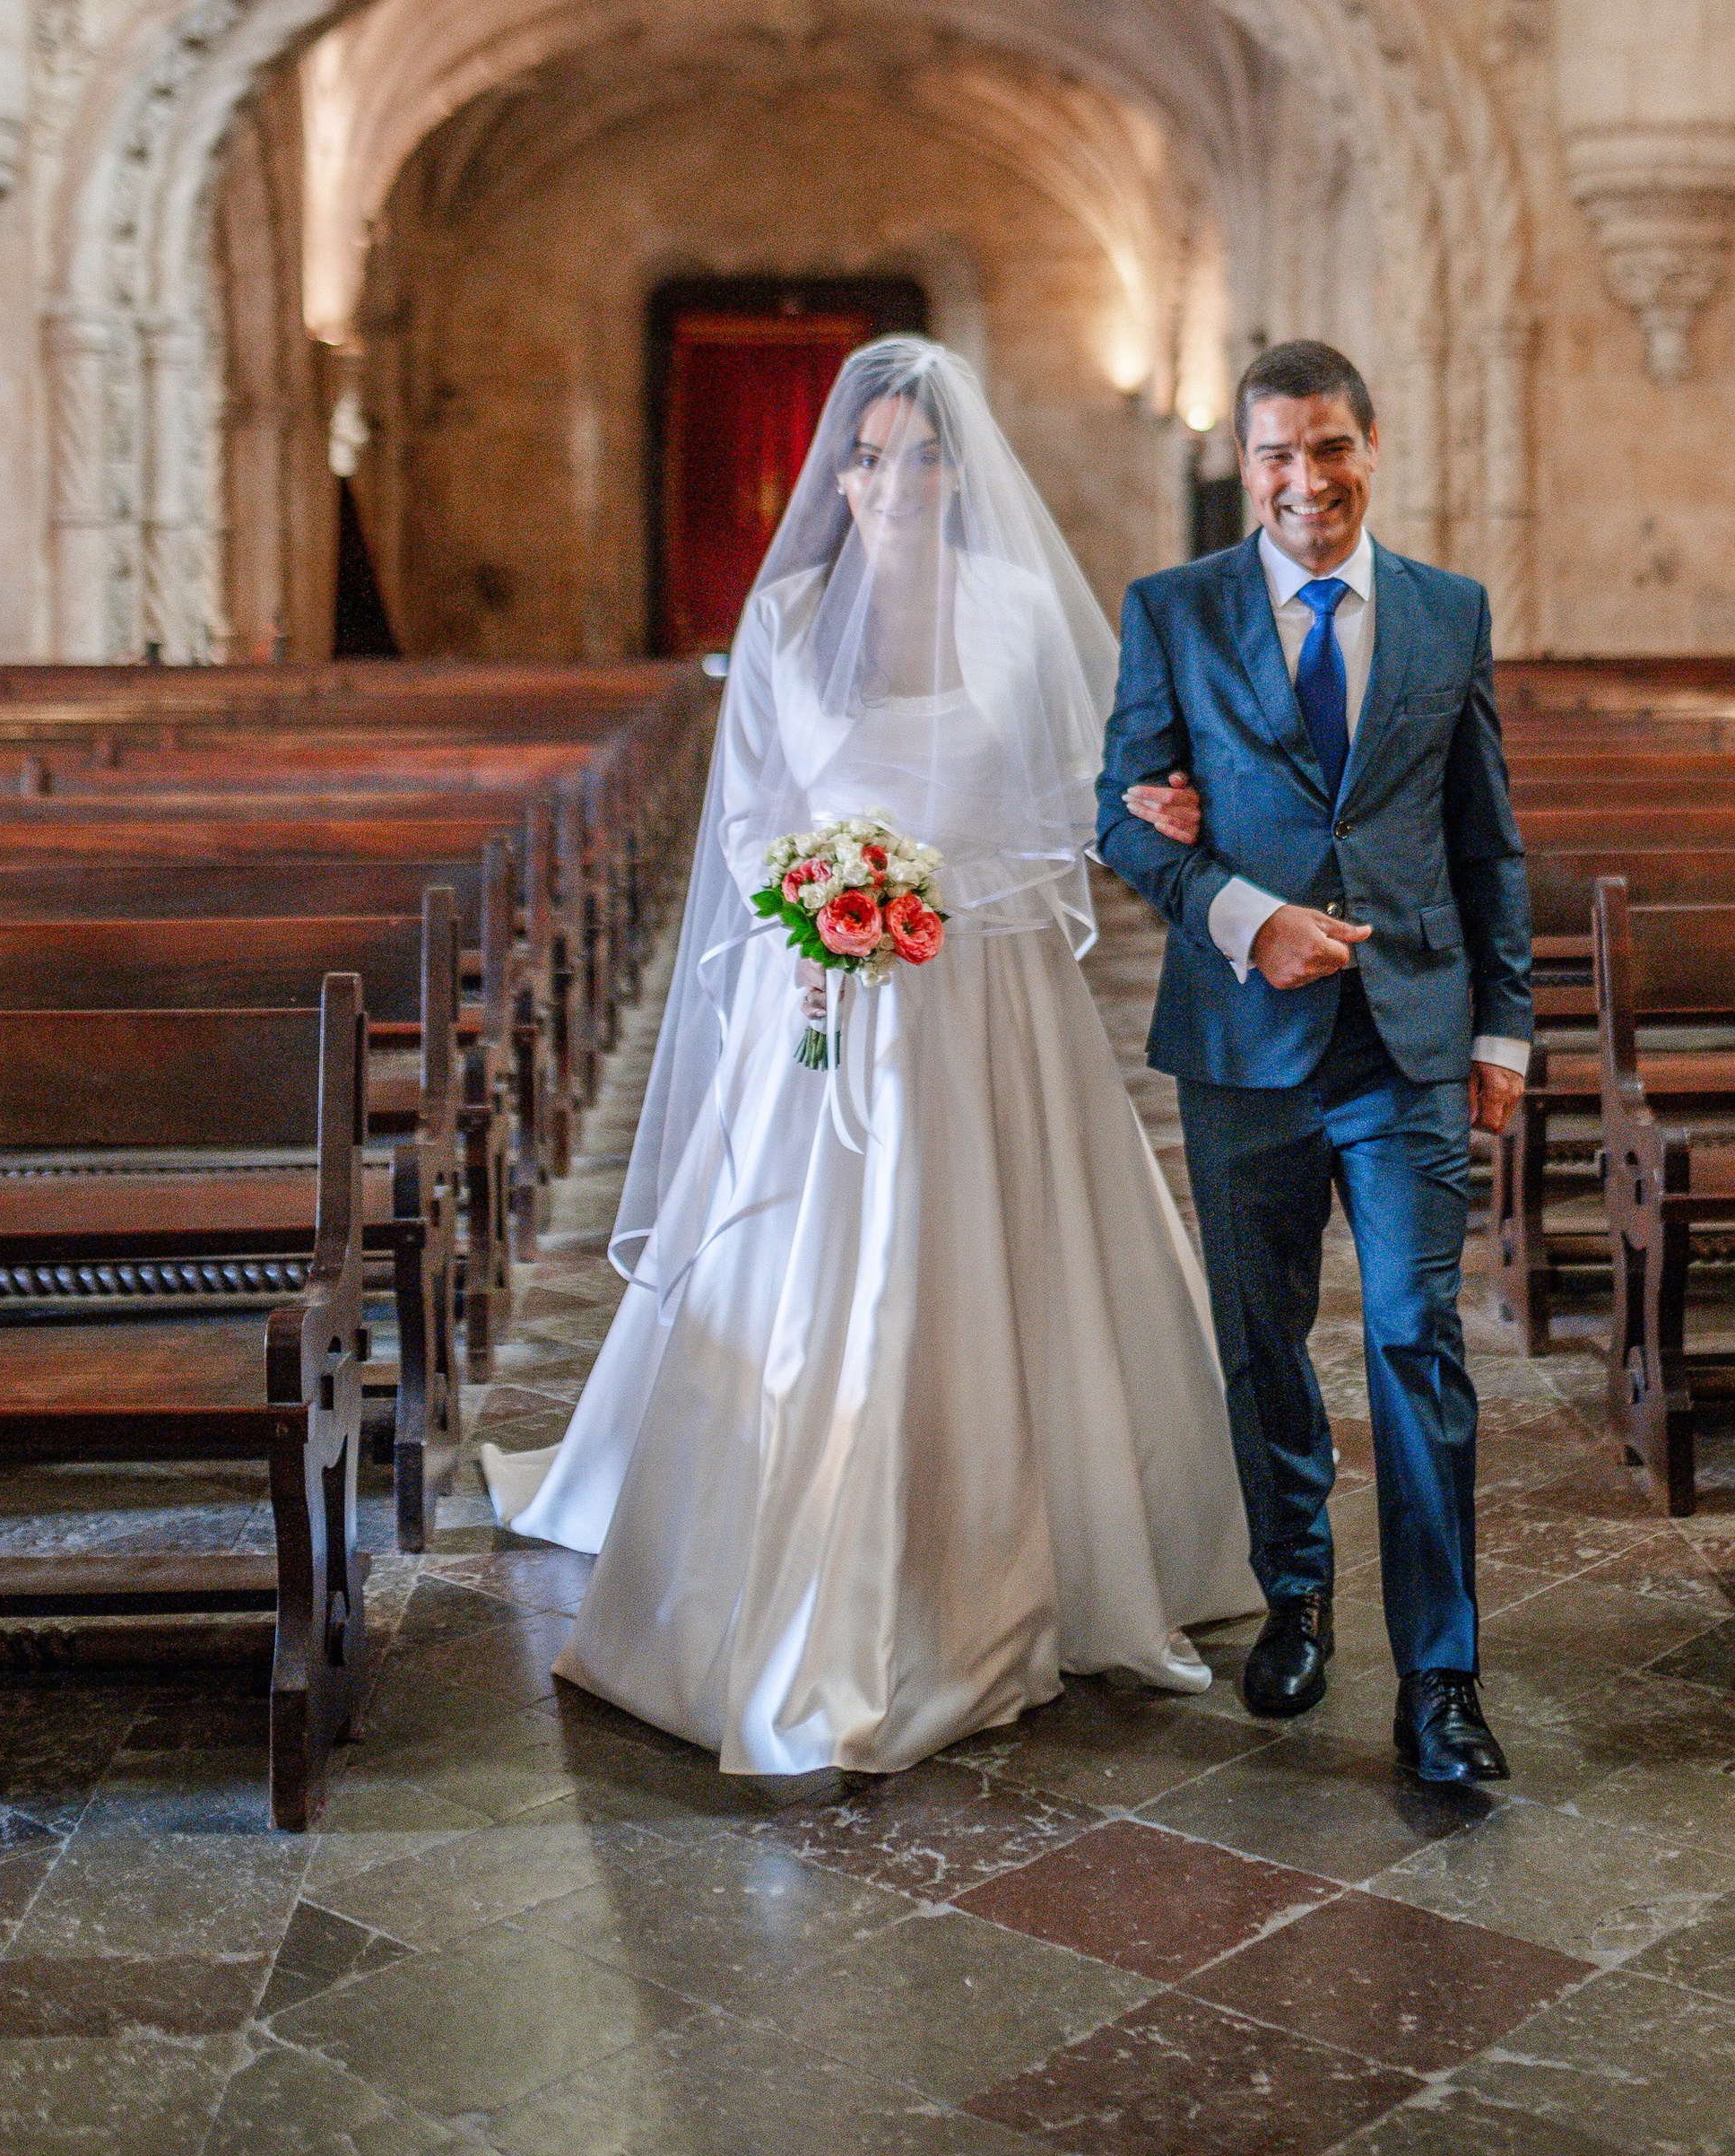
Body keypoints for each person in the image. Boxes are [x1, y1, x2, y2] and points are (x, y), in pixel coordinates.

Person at [482, 337, 1251, 1777]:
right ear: (838, 470)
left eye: (922, 454)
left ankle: (1028, 1553)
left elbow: (1079, 800)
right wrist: (828, 891)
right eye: (869, 454)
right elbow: (749, 820)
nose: (893, 479)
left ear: (964, 471)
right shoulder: (785, 619)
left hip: (987, 995)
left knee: (1005, 1258)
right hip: (830, 991)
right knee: (816, 1269)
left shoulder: (1023, 612)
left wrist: (981, 875)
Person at [1097, 338, 1532, 1789]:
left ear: (1371, 447)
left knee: (1416, 1338)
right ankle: (1296, 1590)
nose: (1306, 478)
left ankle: (1445, 1679)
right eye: (1277, 452)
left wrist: (1504, 1023)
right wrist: (1244, 914)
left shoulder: (1446, 612)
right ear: (1246, 462)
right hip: (1244, 1041)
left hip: (1407, 1039)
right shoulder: (1175, 609)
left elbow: (1484, 838)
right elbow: (1124, 816)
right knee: (1264, 1339)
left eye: (1330, 446)